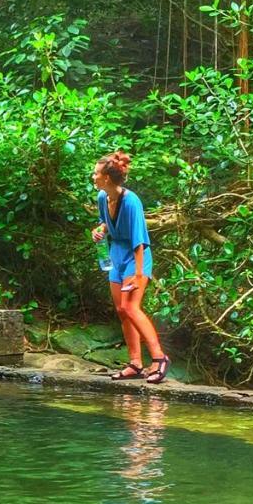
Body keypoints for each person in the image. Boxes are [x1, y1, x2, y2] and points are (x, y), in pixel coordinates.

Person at [91, 150, 170, 383]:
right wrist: (101, 230)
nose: (93, 177)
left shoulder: (132, 201)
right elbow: (105, 221)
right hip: (116, 255)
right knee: (121, 310)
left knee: (131, 307)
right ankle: (135, 363)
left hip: (137, 257)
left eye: (96, 173)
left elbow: (140, 241)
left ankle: (159, 358)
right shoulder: (102, 198)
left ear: (106, 178)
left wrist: (137, 275)